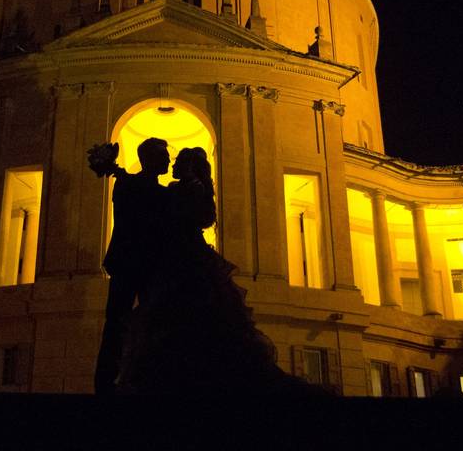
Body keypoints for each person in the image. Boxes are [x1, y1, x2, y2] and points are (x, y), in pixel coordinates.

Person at [116, 147, 326, 396]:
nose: (173, 165)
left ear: (190, 166)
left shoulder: (181, 190)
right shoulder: (193, 189)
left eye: (178, 161)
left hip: (181, 257)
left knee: (172, 313)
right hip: (189, 255)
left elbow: (163, 209)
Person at [91, 137, 170, 395]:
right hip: (134, 264)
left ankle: (143, 379)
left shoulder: (136, 185)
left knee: (147, 324)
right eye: (163, 155)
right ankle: (108, 382)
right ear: (149, 158)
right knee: (117, 324)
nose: (168, 159)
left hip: (142, 265)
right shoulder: (133, 186)